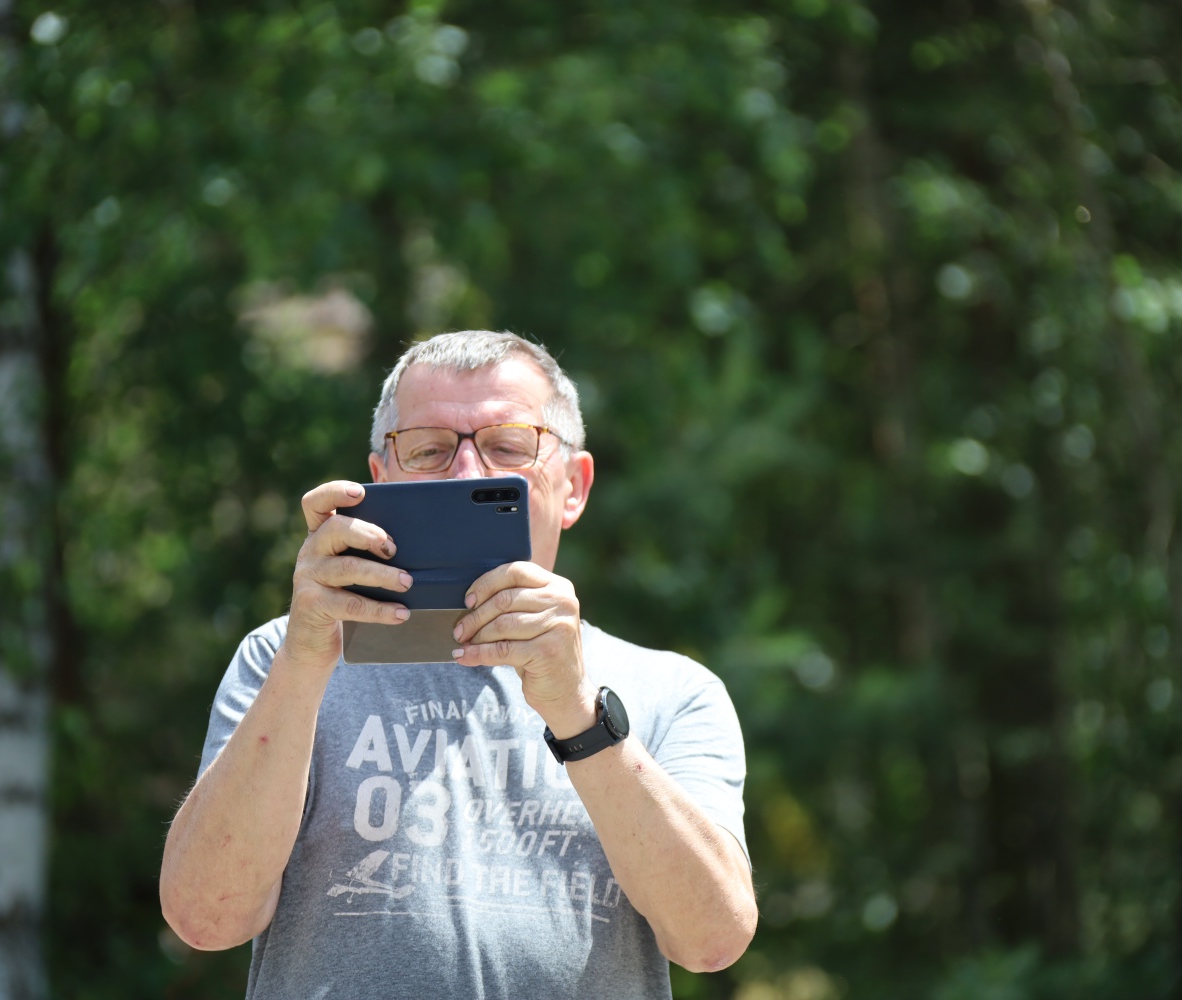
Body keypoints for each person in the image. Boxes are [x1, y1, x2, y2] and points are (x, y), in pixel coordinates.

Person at [160, 330, 756, 998]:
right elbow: (205, 918)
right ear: (380, 479)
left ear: (574, 487)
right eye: (429, 450)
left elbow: (711, 940)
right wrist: (303, 662)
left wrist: (578, 712)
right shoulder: (284, 657)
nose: (469, 473)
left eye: (509, 446)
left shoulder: (673, 690)